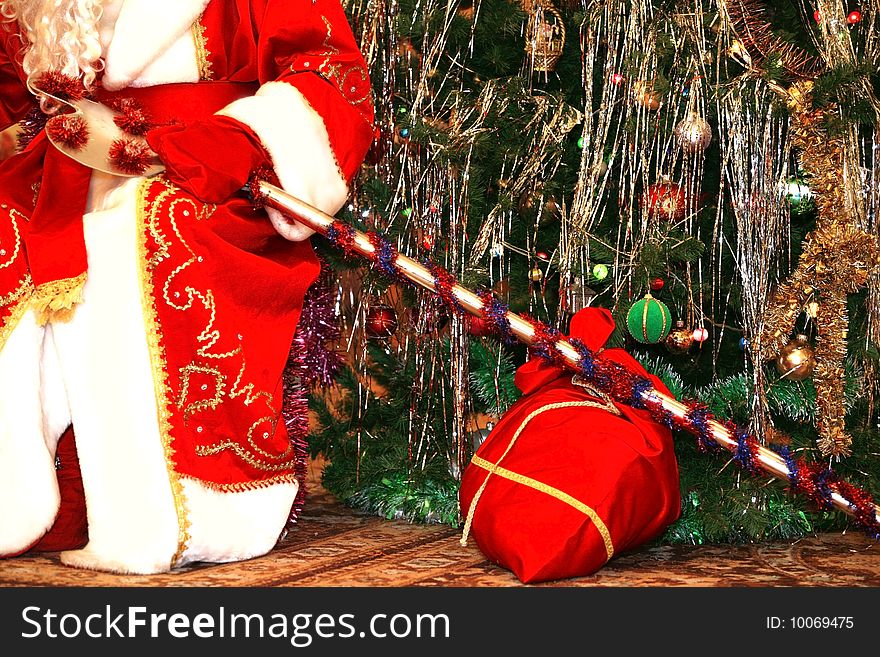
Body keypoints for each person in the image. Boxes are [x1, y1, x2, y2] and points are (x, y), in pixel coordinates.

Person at [0, 0, 374, 573]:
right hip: (69, 161)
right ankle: (25, 490)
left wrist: (236, 141)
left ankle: (173, 509)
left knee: (144, 227)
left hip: (210, 170)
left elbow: (325, 68)